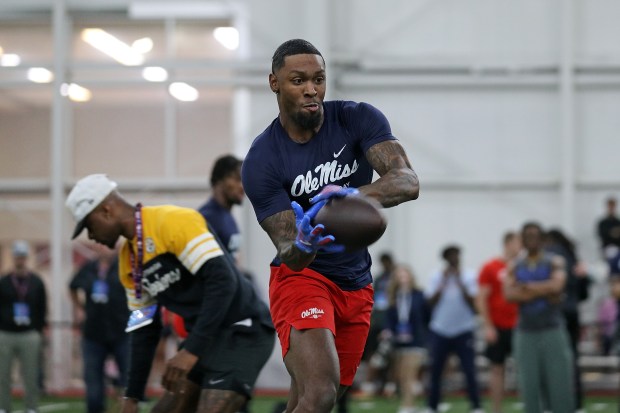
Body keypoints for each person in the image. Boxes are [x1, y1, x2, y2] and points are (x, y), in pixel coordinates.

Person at [241, 39, 419, 413]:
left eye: (319, 79)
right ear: (274, 82)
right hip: (302, 279)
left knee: (311, 399)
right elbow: (289, 252)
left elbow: (406, 181)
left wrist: (353, 195)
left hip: (356, 282)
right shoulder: (262, 159)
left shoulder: (356, 118)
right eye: (298, 80)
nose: (311, 89)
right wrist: (305, 241)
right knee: (320, 394)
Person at [65, 174, 275, 413]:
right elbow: (144, 329)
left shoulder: (173, 221)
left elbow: (223, 280)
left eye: (89, 226)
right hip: (206, 339)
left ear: (106, 210)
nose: (90, 236)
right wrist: (131, 396)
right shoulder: (128, 264)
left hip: (243, 330)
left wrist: (190, 350)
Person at [504, 222, 574, 413]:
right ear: (523, 240)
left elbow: (557, 287)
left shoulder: (555, 261)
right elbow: (509, 294)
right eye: (528, 236)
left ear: (542, 239)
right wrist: (545, 289)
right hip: (526, 332)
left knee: (560, 384)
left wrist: (526, 287)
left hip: (552, 329)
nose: (532, 240)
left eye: (536, 236)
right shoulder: (515, 265)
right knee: (529, 387)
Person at [69, 243, 130, 413]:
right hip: (93, 334)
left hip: (121, 333)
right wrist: (79, 309)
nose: (106, 249)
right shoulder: (88, 268)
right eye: (102, 245)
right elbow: (73, 286)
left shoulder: (125, 267)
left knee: (128, 382)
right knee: (94, 386)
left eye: (109, 245)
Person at [424, 245, 482, 413]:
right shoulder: (436, 276)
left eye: (456, 255)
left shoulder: (469, 275)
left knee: (469, 370)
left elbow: (474, 304)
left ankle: (476, 406)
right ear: (445, 259)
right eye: (450, 256)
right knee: (436, 370)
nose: (454, 259)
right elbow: (430, 303)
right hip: (440, 329)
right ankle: (432, 406)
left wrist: (459, 281)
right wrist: (443, 282)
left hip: (464, 329)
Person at [545, 227, 591, 411]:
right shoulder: (572, 256)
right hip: (572, 313)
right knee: (571, 359)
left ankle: (553, 403)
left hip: (555, 315)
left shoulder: (549, 254)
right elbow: (583, 292)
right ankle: (575, 403)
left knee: (552, 360)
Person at [0, 240, 48, 413]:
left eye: (22, 256)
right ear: (13, 257)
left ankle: (31, 407)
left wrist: (39, 331)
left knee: (30, 374)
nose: (20, 259)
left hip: (29, 333)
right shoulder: (4, 281)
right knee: (3, 374)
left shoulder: (36, 282)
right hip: (6, 333)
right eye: (17, 256)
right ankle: (4, 407)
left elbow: (42, 308)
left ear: (26, 257)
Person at [476, 231, 520, 413]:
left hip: (520, 327)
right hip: (498, 326)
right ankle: (496, 409)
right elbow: (481, 298)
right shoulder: (491, 266)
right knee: (496, 369)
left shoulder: (523, 267)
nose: (521, 247)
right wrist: (488, 326)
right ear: (508, 243)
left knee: (527, 369)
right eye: (518, 242)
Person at [384, 265, 428, 413]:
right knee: (402, 375)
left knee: (410, 373)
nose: (402, 278)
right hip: (399, 340)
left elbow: (426, 316)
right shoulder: (393, 296)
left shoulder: (419, 295)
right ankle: (409, 404)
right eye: (399, 275)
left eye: (405, 274)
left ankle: (407, 405)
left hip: (416, 340)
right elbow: (389, 318)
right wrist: (388, 331)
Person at [361, 252, 396, 397]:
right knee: (373, 354)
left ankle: (389, 386)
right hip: (377, 323)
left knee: (389, 356)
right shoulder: (380, 278)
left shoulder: (396, 278)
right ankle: (374, 386)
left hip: (391, 324)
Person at [197, 155, 244, 258]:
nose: (242, 186)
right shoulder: (206, 218)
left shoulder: (227, 217)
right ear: (220, 181)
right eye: (237, 179)